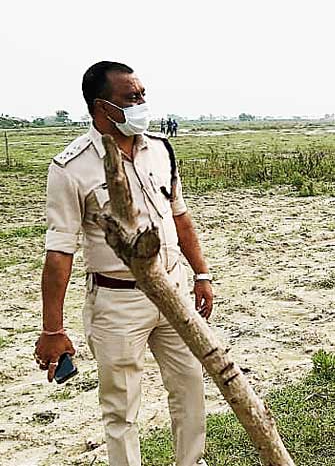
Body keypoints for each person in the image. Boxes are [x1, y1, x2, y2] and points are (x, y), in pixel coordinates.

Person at [34, 61, 213, 466]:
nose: (142, 104)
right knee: (121, 408)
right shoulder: (70, 168)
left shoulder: (161, 150)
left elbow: (180, 217)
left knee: (189, 386)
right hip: (117, 303)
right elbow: (59, 251)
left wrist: (201, 273)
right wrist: (52, 329)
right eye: (131, 98)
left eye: (142, 95)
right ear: (101, 107)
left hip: (173, 291)